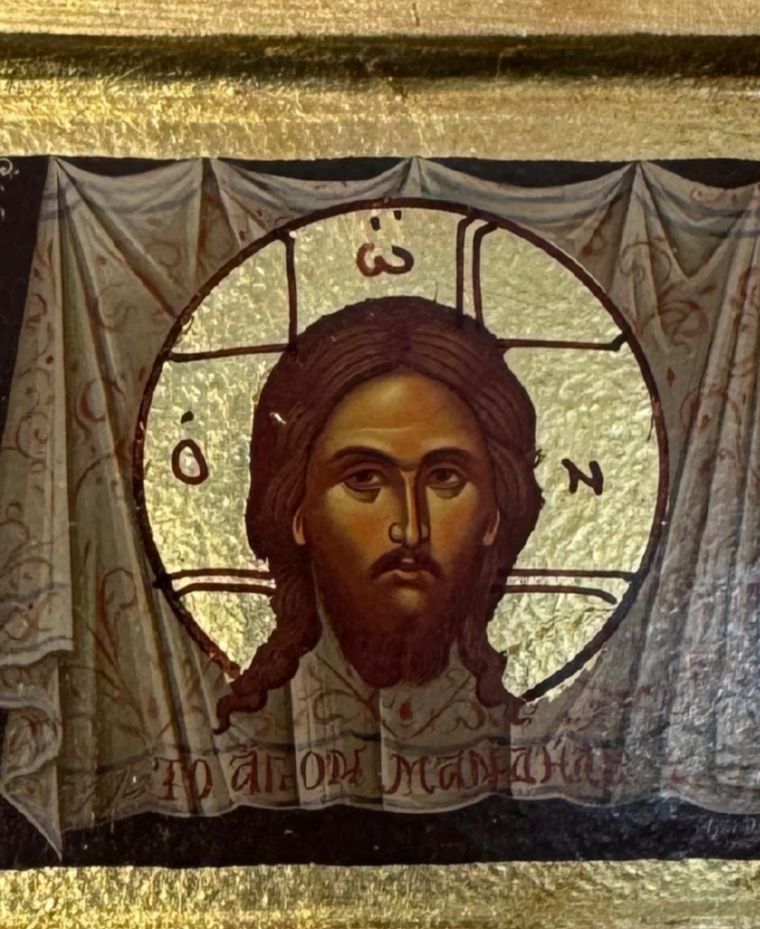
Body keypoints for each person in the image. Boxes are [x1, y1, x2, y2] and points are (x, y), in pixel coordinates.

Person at [217, 295, 544, 731]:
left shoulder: (538, 723)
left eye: (445, 477)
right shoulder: (256, 725)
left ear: (494, 513)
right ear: (296, 508)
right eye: (364, 479)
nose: (410, 529)